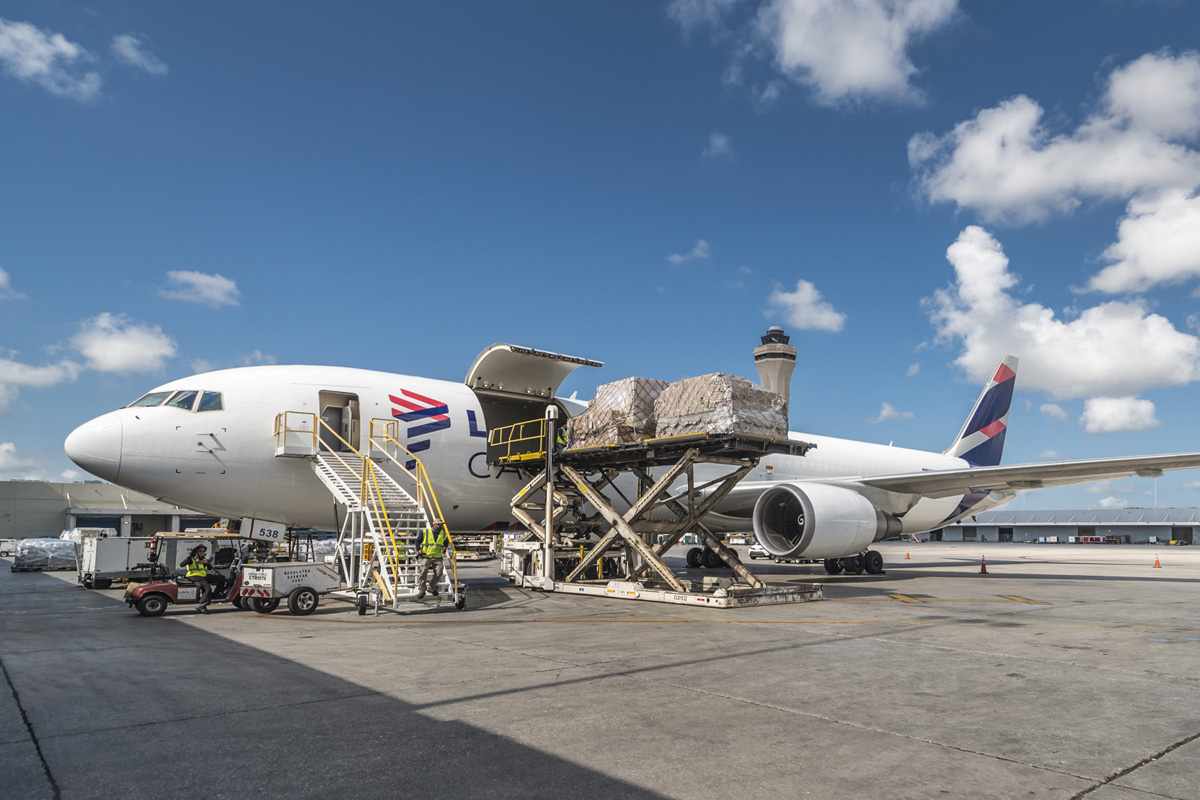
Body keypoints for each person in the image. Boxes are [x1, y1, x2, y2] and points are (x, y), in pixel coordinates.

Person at [179, 545, 226, 611]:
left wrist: (207, 562)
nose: (203, 552)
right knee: (208, 588)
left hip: (203, 576)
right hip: (194, 576)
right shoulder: (191, 558)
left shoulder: (203, 559)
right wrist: (189, 558)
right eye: (200, 551)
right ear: (196, 552)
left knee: (221, 578)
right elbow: (181, 564)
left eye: (204, 551)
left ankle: (215, 595)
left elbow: (209, 568)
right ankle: (202, 604)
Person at [416, 523, 449, 599]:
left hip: (437, 557)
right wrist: (418, 550)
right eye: (438, 524)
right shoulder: (425, 531)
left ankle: (431, 587)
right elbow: (417, 541)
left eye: (441, 525)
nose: (440, 526)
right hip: (426, 556)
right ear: (433, 525)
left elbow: (446, 542)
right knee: (423, 572)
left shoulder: (443, 533)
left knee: (439, 572)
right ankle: (422, 589)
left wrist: (444, 548)